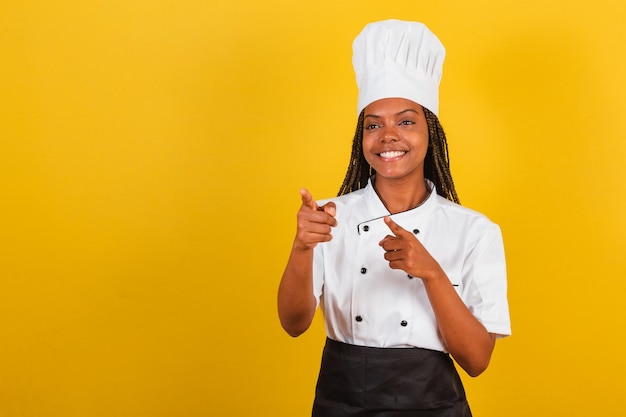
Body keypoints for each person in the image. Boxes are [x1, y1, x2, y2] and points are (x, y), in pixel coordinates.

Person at [277, 19, 511, 417]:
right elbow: (294, 324)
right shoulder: (329, 218)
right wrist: (302, 247)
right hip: (340, 403)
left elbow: (477, 360)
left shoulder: (474, 231)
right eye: (373, 125)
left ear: (429, 133)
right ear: (361, 138)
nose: (388, 136)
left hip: (433, 405)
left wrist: (432, 273)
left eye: (405, 121)